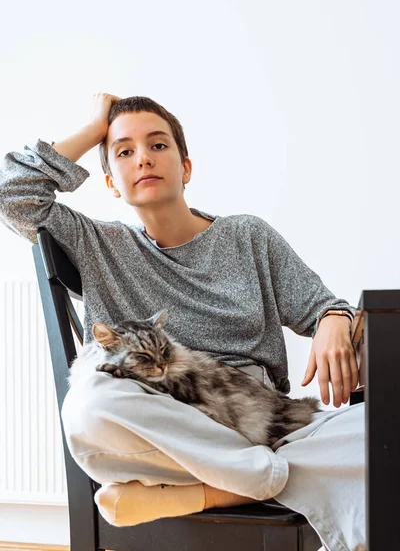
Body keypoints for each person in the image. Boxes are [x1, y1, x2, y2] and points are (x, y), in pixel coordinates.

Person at [0, 93, 366, 551]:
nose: (143, 160)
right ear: (111, 183)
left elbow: (322, 306)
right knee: (87, 410)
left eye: (157, 145)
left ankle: (213, 490)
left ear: (185, 167)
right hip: (162, 414)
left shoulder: (247, 235)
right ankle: (257, 477)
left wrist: (333, 316)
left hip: (258, 420)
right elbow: (13, 192)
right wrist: (97, 127)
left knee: (383, 434)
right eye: (124, 152)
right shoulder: (99, 243)